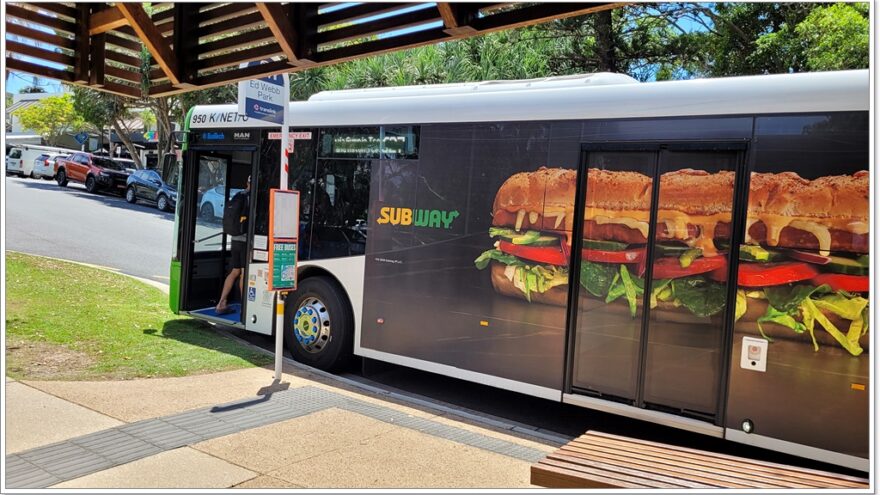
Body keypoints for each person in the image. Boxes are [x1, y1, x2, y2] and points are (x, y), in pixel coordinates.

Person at [216, 175, 250, 315]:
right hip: (244, 241)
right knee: (244, 273)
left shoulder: (239, 195)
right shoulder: (251, 198)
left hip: (235, 239)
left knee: (234, 272)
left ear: (246, 182)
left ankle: (221, 303)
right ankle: (244, 308)